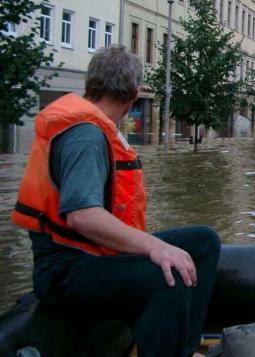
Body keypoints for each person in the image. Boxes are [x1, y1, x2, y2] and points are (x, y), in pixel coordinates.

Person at [11, 46, 220, 357]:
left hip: (95, 256)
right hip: (65, 270)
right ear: (134, 95)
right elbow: (82, 216)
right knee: (168, 277)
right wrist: (155, 247)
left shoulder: (96, 128)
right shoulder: (86, 136)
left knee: (203, 242)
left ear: (91, 82)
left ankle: (184, 349)